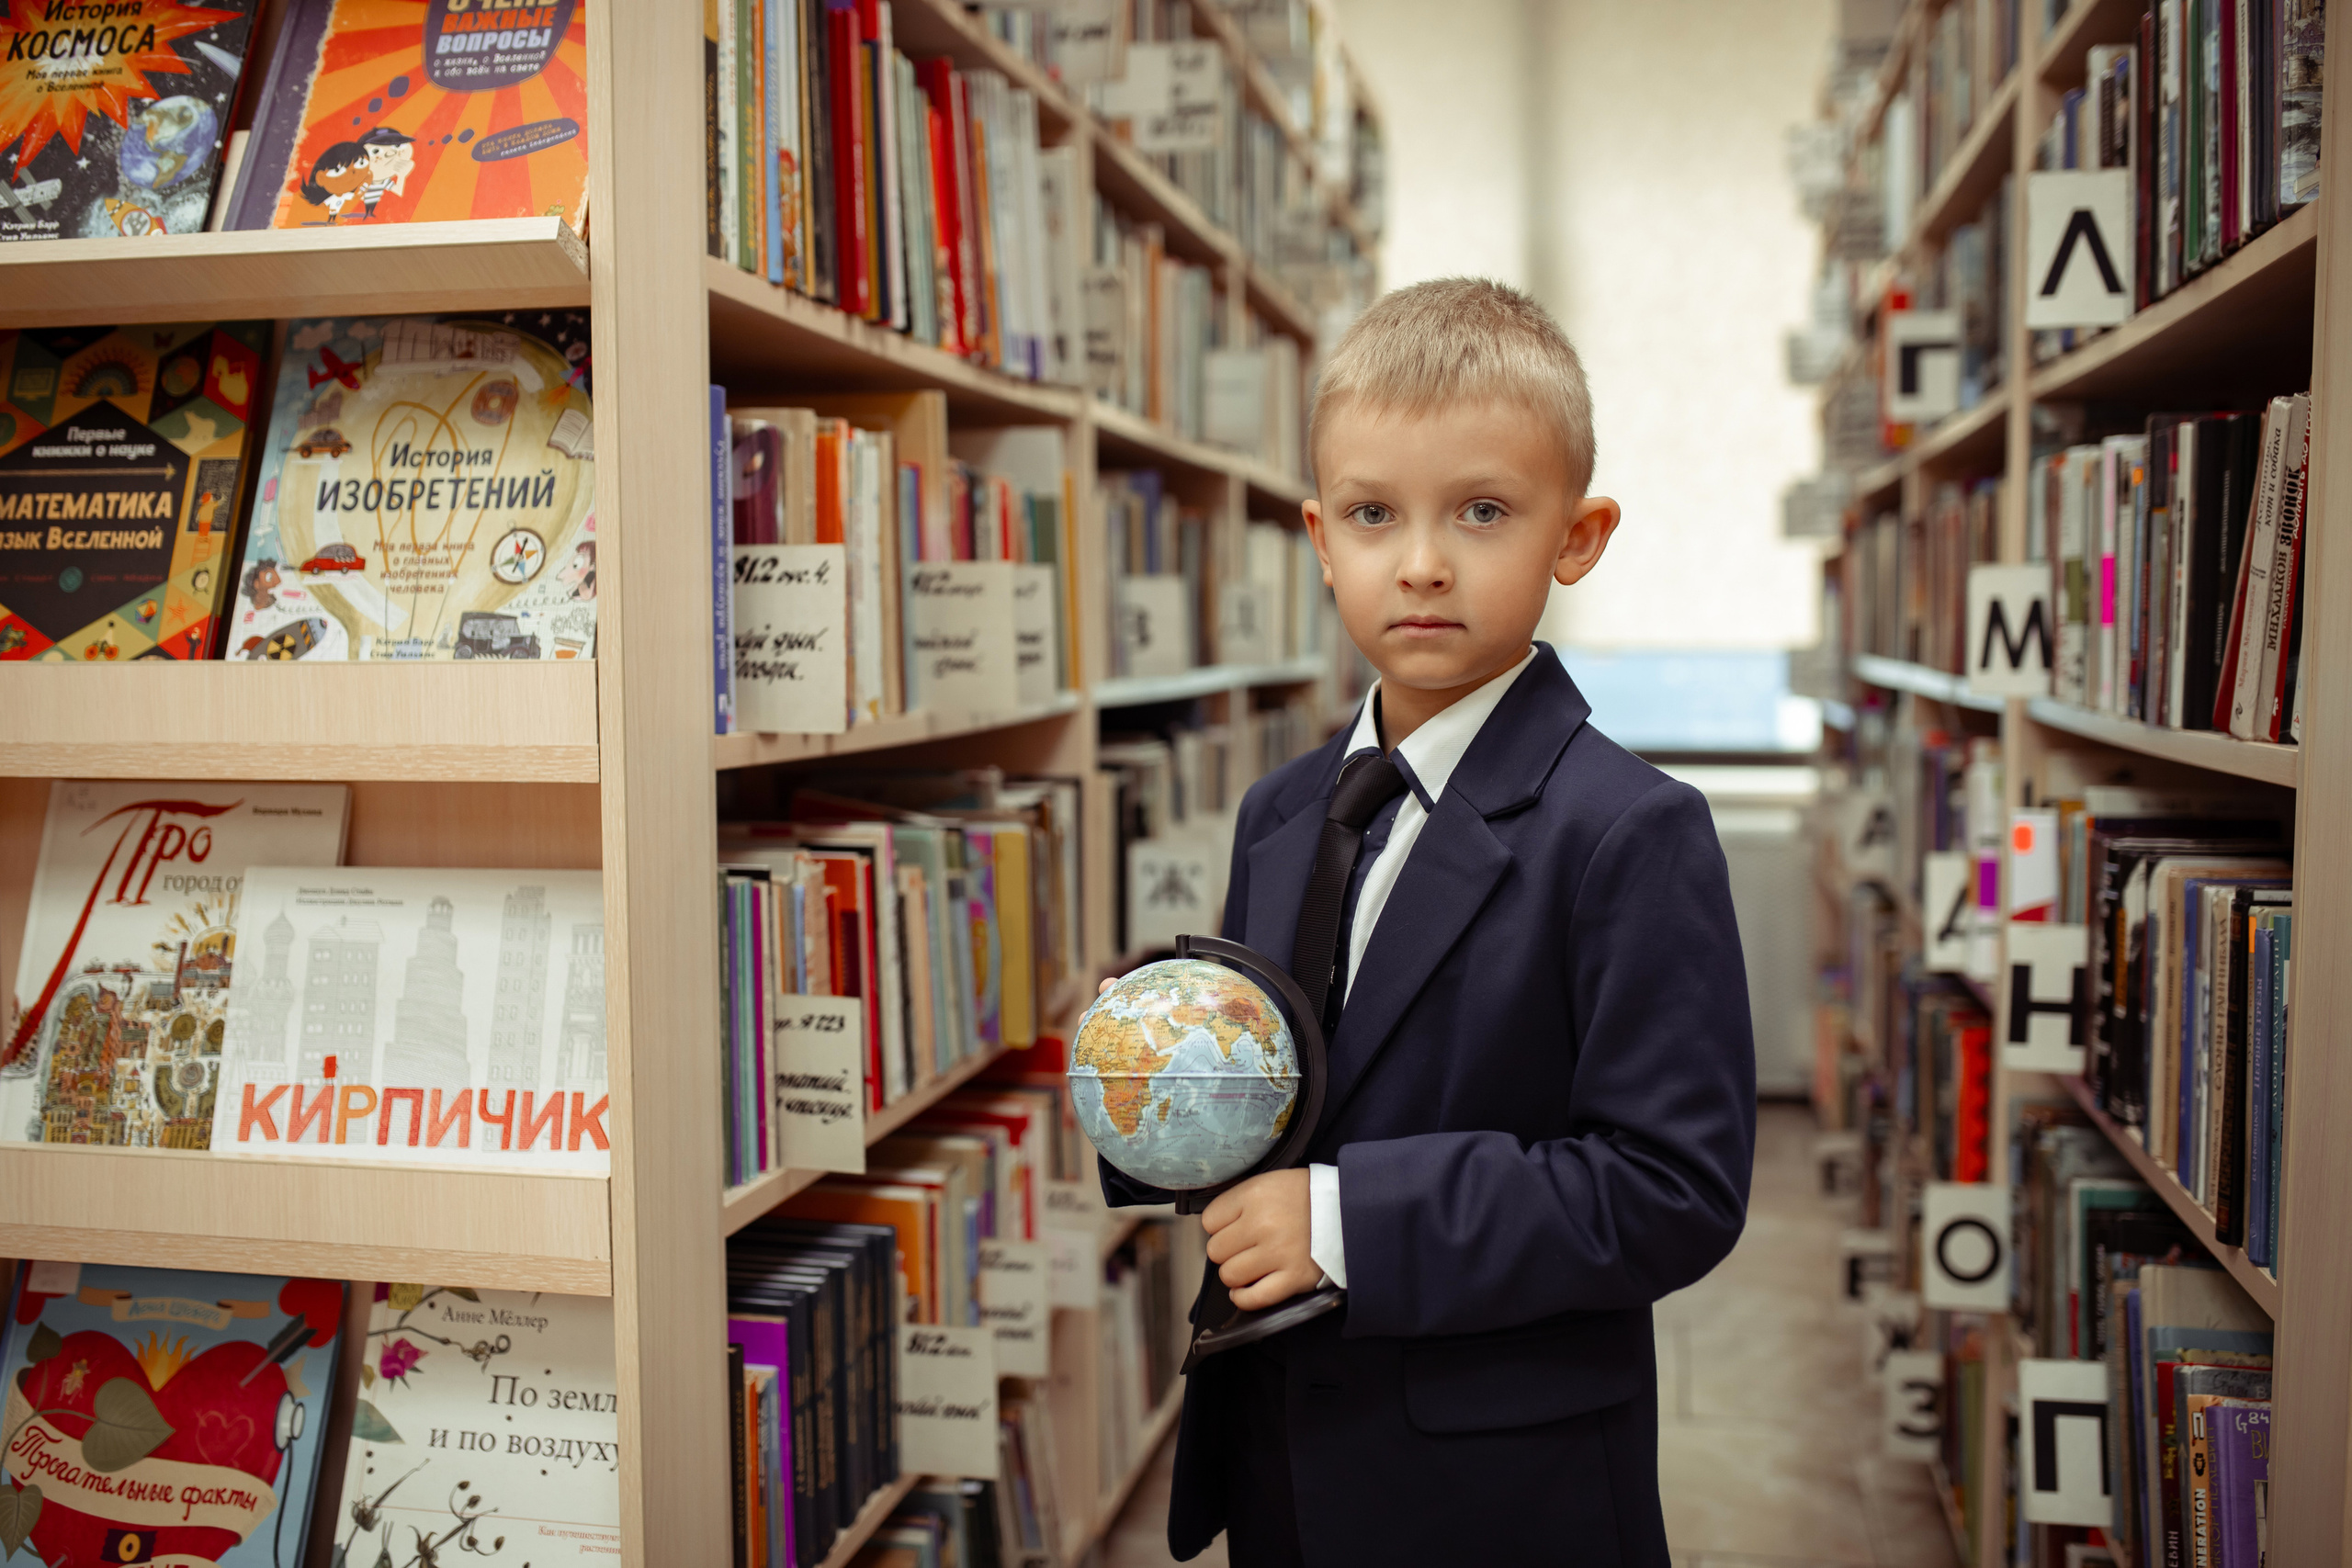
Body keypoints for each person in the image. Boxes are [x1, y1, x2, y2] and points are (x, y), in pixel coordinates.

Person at [1098, 277, 1756, 1566]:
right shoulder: (1281, 811)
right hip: (1285, 1455)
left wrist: (1344, 1220)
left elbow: (1675, 1189)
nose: (1422, 562)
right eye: (1372, 514)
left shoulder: (1631, 829)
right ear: (1319, 536)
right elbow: (1284, 1093)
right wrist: (1164, 1100)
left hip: (1503, 1493)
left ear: (1580, 534)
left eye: (1484, 512)